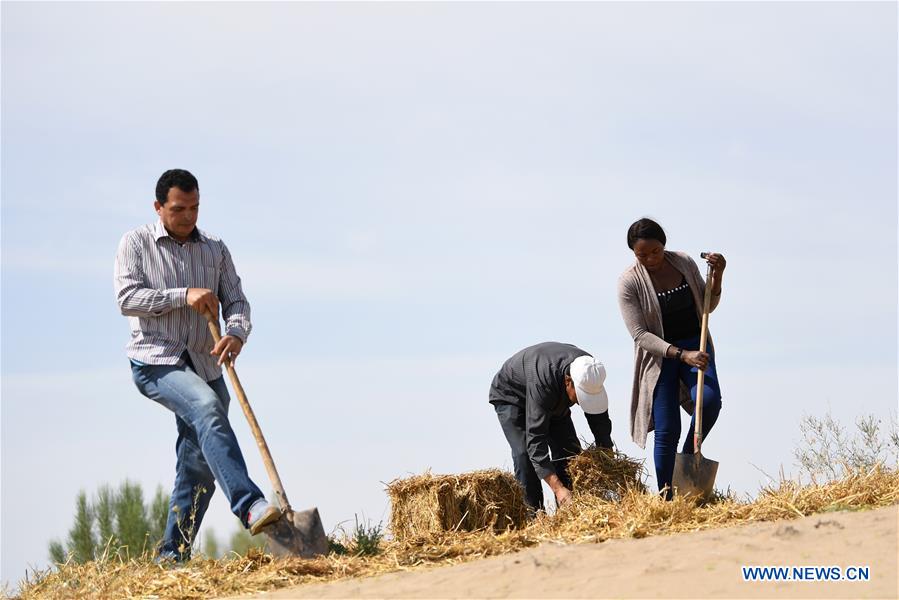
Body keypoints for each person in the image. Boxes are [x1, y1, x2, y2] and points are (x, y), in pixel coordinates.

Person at [114, 169, 280, 561]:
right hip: (155, 360)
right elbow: (127, 298)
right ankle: (250, 504)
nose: (188, 216)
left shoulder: (215, 248)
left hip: (206, 363)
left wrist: (236, 334)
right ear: (158, 207)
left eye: (195, 208)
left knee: (199, 463)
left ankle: (172, 554)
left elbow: (237, 302)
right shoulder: (135, 243)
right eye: (178, 209)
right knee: (208, 409)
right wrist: (182, 295)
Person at [616, 217, 726, 499]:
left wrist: (719, 275)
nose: (650, 258)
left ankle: (687, 459)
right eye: (642, 254)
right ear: (633, 253)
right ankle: (666, 497)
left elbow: (707, 306)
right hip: (660, 358)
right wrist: (680, 355)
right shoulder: (629, 282)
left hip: (696, 345)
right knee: (667, 428)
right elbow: (640, 335)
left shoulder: (684, 263)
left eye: (655, 251)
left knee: (709, 401)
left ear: (664, 245)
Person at [489, 342, 613, 513]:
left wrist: (607, 456)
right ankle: (534, 516)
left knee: (569, 450)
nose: (579, 403)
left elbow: (600, 421)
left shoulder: (590, 370)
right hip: (512, 394)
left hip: (551, 392)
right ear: (568, 382)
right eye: (581, 397)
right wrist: (558, 488)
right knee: (524, 454)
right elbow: (536, 441)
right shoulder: (544, 382)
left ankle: (569, 513)